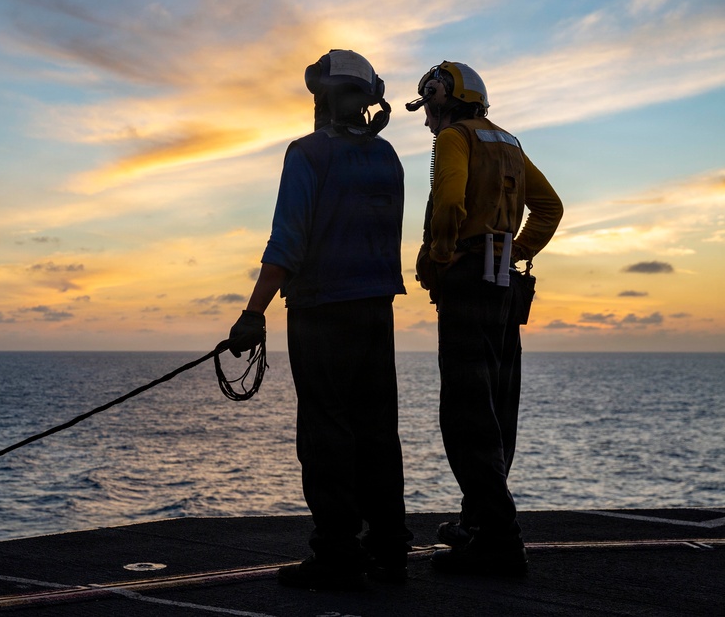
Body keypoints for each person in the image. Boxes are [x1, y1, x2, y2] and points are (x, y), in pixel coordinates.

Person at [227, 49, 412, 591]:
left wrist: (252, 313)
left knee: (326, 433)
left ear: (325, 96)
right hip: (377, 312)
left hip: (320, 314)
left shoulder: (306, 155)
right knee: (378, 431)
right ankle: (389, 551)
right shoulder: (389, 158)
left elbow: (287, 242)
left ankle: (337, 554)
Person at [406, 61, 563, 575]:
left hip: (469, 279)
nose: (426, 115)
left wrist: (444, 253)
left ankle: (498, 535)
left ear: (443, 96)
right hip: (502, 285)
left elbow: (449, 200)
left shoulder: (455, 139)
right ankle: (476, 520)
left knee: (466, 410)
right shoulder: (510, 144)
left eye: (428, 102)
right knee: (497, 404)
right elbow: (550, 207)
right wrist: (515, 251)